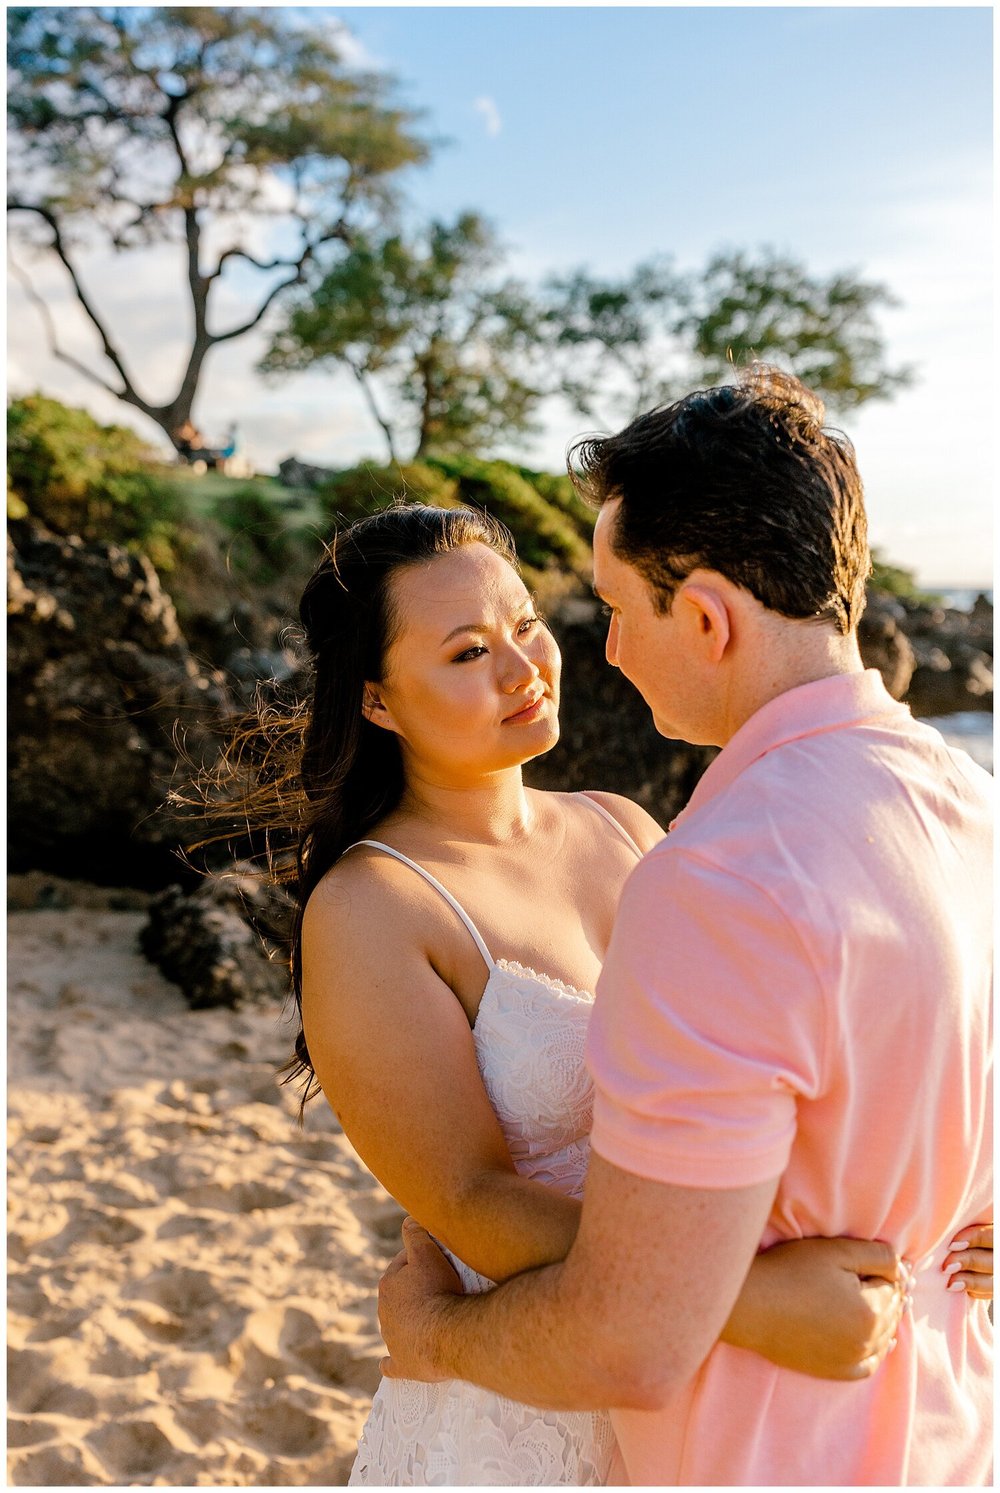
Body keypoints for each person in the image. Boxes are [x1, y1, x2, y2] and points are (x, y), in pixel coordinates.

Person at [254, 498, 992, 1486]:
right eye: (468, 652)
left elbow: (833, 1035)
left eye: (524, 624)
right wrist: (747, 1297)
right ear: (379, 700)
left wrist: (965, 1201)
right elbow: (472, 1198)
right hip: (523, 1388)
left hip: (707, 1397)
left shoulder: (625, 827)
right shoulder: (372, 907)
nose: (523, 668)